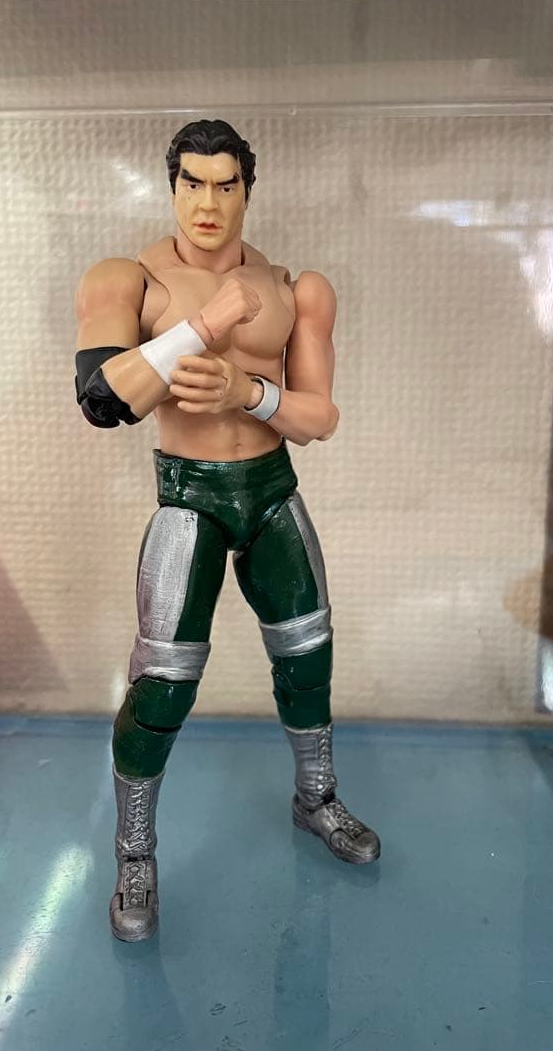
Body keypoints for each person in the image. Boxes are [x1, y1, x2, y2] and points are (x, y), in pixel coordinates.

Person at [74, 119, 380, 942]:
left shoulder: (294, 288)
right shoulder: (130, 279)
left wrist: (250, 393)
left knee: (308, 653)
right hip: (190, 497)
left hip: (272, 490)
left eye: (225, 184)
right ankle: (134, 851)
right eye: (192, 183)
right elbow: (102, 399)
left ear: (247, 189)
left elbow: (320, 419)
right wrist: (203, 328)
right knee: (164, 680)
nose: (207, 202)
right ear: (171, 187)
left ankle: (316, 798)